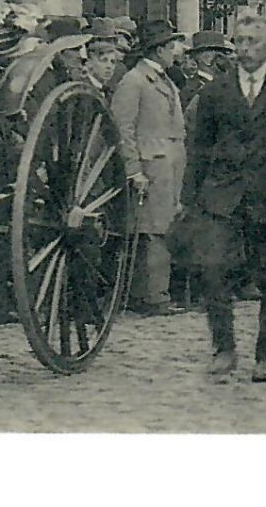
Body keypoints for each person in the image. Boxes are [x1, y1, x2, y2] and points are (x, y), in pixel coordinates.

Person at [182, 9, 266, 383]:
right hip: (222, 196)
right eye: (239, 42)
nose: (244, 50)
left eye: (252, 42)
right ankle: (223, 348)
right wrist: (190, 199)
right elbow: (199, 147)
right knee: (212, 271)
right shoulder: (216, 90)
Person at [110, 19, 188, 316]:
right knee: (152, 232)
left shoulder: (163, 79)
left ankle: (154, 293)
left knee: (164, 228)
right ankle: (154, 296)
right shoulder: (134, 81)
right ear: (157, 51)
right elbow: (122, 130)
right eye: (170, 47)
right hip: (150, 167)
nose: (175, 52)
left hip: (168, 167)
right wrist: (133, 170)